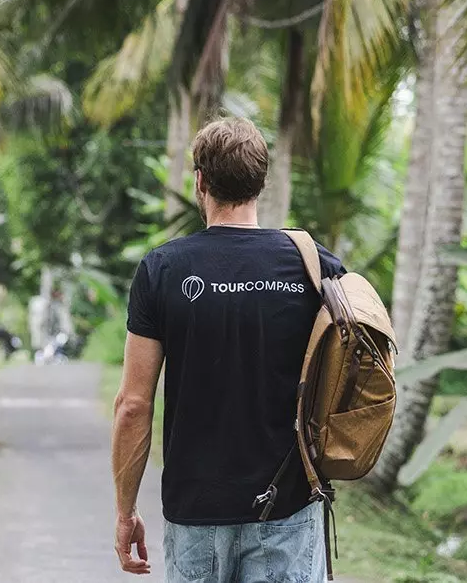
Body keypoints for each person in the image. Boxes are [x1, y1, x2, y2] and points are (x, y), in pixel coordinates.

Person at [110, 117, 346, 581]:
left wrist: (125, 512)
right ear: (261, 182)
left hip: (195, 511)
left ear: (200, 181)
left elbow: (133, 405)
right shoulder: (314, 266)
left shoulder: (162, 269)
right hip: (288, 510)